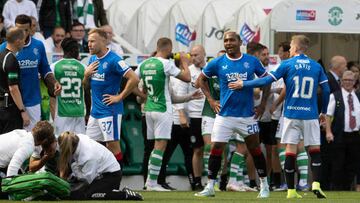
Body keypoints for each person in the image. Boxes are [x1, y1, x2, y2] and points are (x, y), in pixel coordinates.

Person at [239, 35, 330, 199]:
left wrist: (244, 84)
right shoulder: (316, 66)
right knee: (314, 150)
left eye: (291, 47)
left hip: (291, 114)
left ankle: (291, 190)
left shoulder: (287, 64)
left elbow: (265, 80)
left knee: (290, 150)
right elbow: (327, 91)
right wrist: (322, 112)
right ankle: (316, 184)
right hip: (310, 114)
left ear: (294, 48)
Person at [195, 31, 269, 198]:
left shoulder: (251, 61)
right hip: (224, 115)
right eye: (226, 40)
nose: (228, 43)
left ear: (240, 42)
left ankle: (264, 185)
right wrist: (211, 100)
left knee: (255, 149)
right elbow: (201, 80)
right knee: (216, 148)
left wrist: (263, 105)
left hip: (246, 116)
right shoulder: (218, 62)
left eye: (232, 40)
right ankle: (210, 187)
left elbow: (267, 81)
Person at [135, 37, 191, 191]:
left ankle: (150, 182)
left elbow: (131, 81)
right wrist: (185, 62)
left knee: (153, 147)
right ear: (169, 48)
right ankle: (153, 183)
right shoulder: (166, 64)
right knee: (160, 146)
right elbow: (187, 78)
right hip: (162, 109)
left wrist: (144, 95)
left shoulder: (144, 64)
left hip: (149, 110)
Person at [83, 28, 139, 168]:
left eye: (92, 41)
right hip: (94, 113)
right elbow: (85, 86)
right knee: (91, 146)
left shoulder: (114, 59)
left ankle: (115, 183)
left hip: (110, 111)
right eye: (88, 41)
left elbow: (134, 78)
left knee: (113, 146)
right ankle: (97, 181)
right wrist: (86, 75)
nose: (89, 44)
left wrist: (119, 96)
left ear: (103, 41)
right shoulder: (92, 59)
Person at [0, 15, 62, 132]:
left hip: (32, 101)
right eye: (19, 29)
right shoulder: (4, 48)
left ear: (31, 29)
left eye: (25, 30)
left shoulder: (38, 45)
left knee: (33, 140)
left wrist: (54, 82)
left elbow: (45, 68)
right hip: (11, 104)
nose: (22, 32)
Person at [57, 131, 143, 200]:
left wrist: (72, 175)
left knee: (89, 194)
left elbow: (85, 182)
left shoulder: (88, 156)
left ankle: (124, 194)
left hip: (111, 175)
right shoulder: (75, 138)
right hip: (98, 173)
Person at [325, 70, 360, 190]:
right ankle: (336, 188)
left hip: (355, 135)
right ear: (341, 81)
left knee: (352, 164)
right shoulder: (335, 96)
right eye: (345, 80)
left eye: (350, 80)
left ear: (354, 82)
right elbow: (328, 115)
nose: (348, 82)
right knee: (338, 164)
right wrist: (328, 132)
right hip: (339, 135)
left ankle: (346, 188)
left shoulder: (358, 97)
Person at [50, 38, 86, 135]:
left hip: (61, 113)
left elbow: (51, 94)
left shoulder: (54, 67)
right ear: (76, 50)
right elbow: (87, 91)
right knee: (79, 144)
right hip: (79, 112)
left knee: (62, 144)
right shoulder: (83, 67)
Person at [0, 27, 29, 133]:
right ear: (18, 41)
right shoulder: (11, 59)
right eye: (24, 39)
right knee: (11, 147)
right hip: (9, 111)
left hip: (2, 109)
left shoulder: (1, 55)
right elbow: (13, 88)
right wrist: (22, 110)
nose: (25, 42)